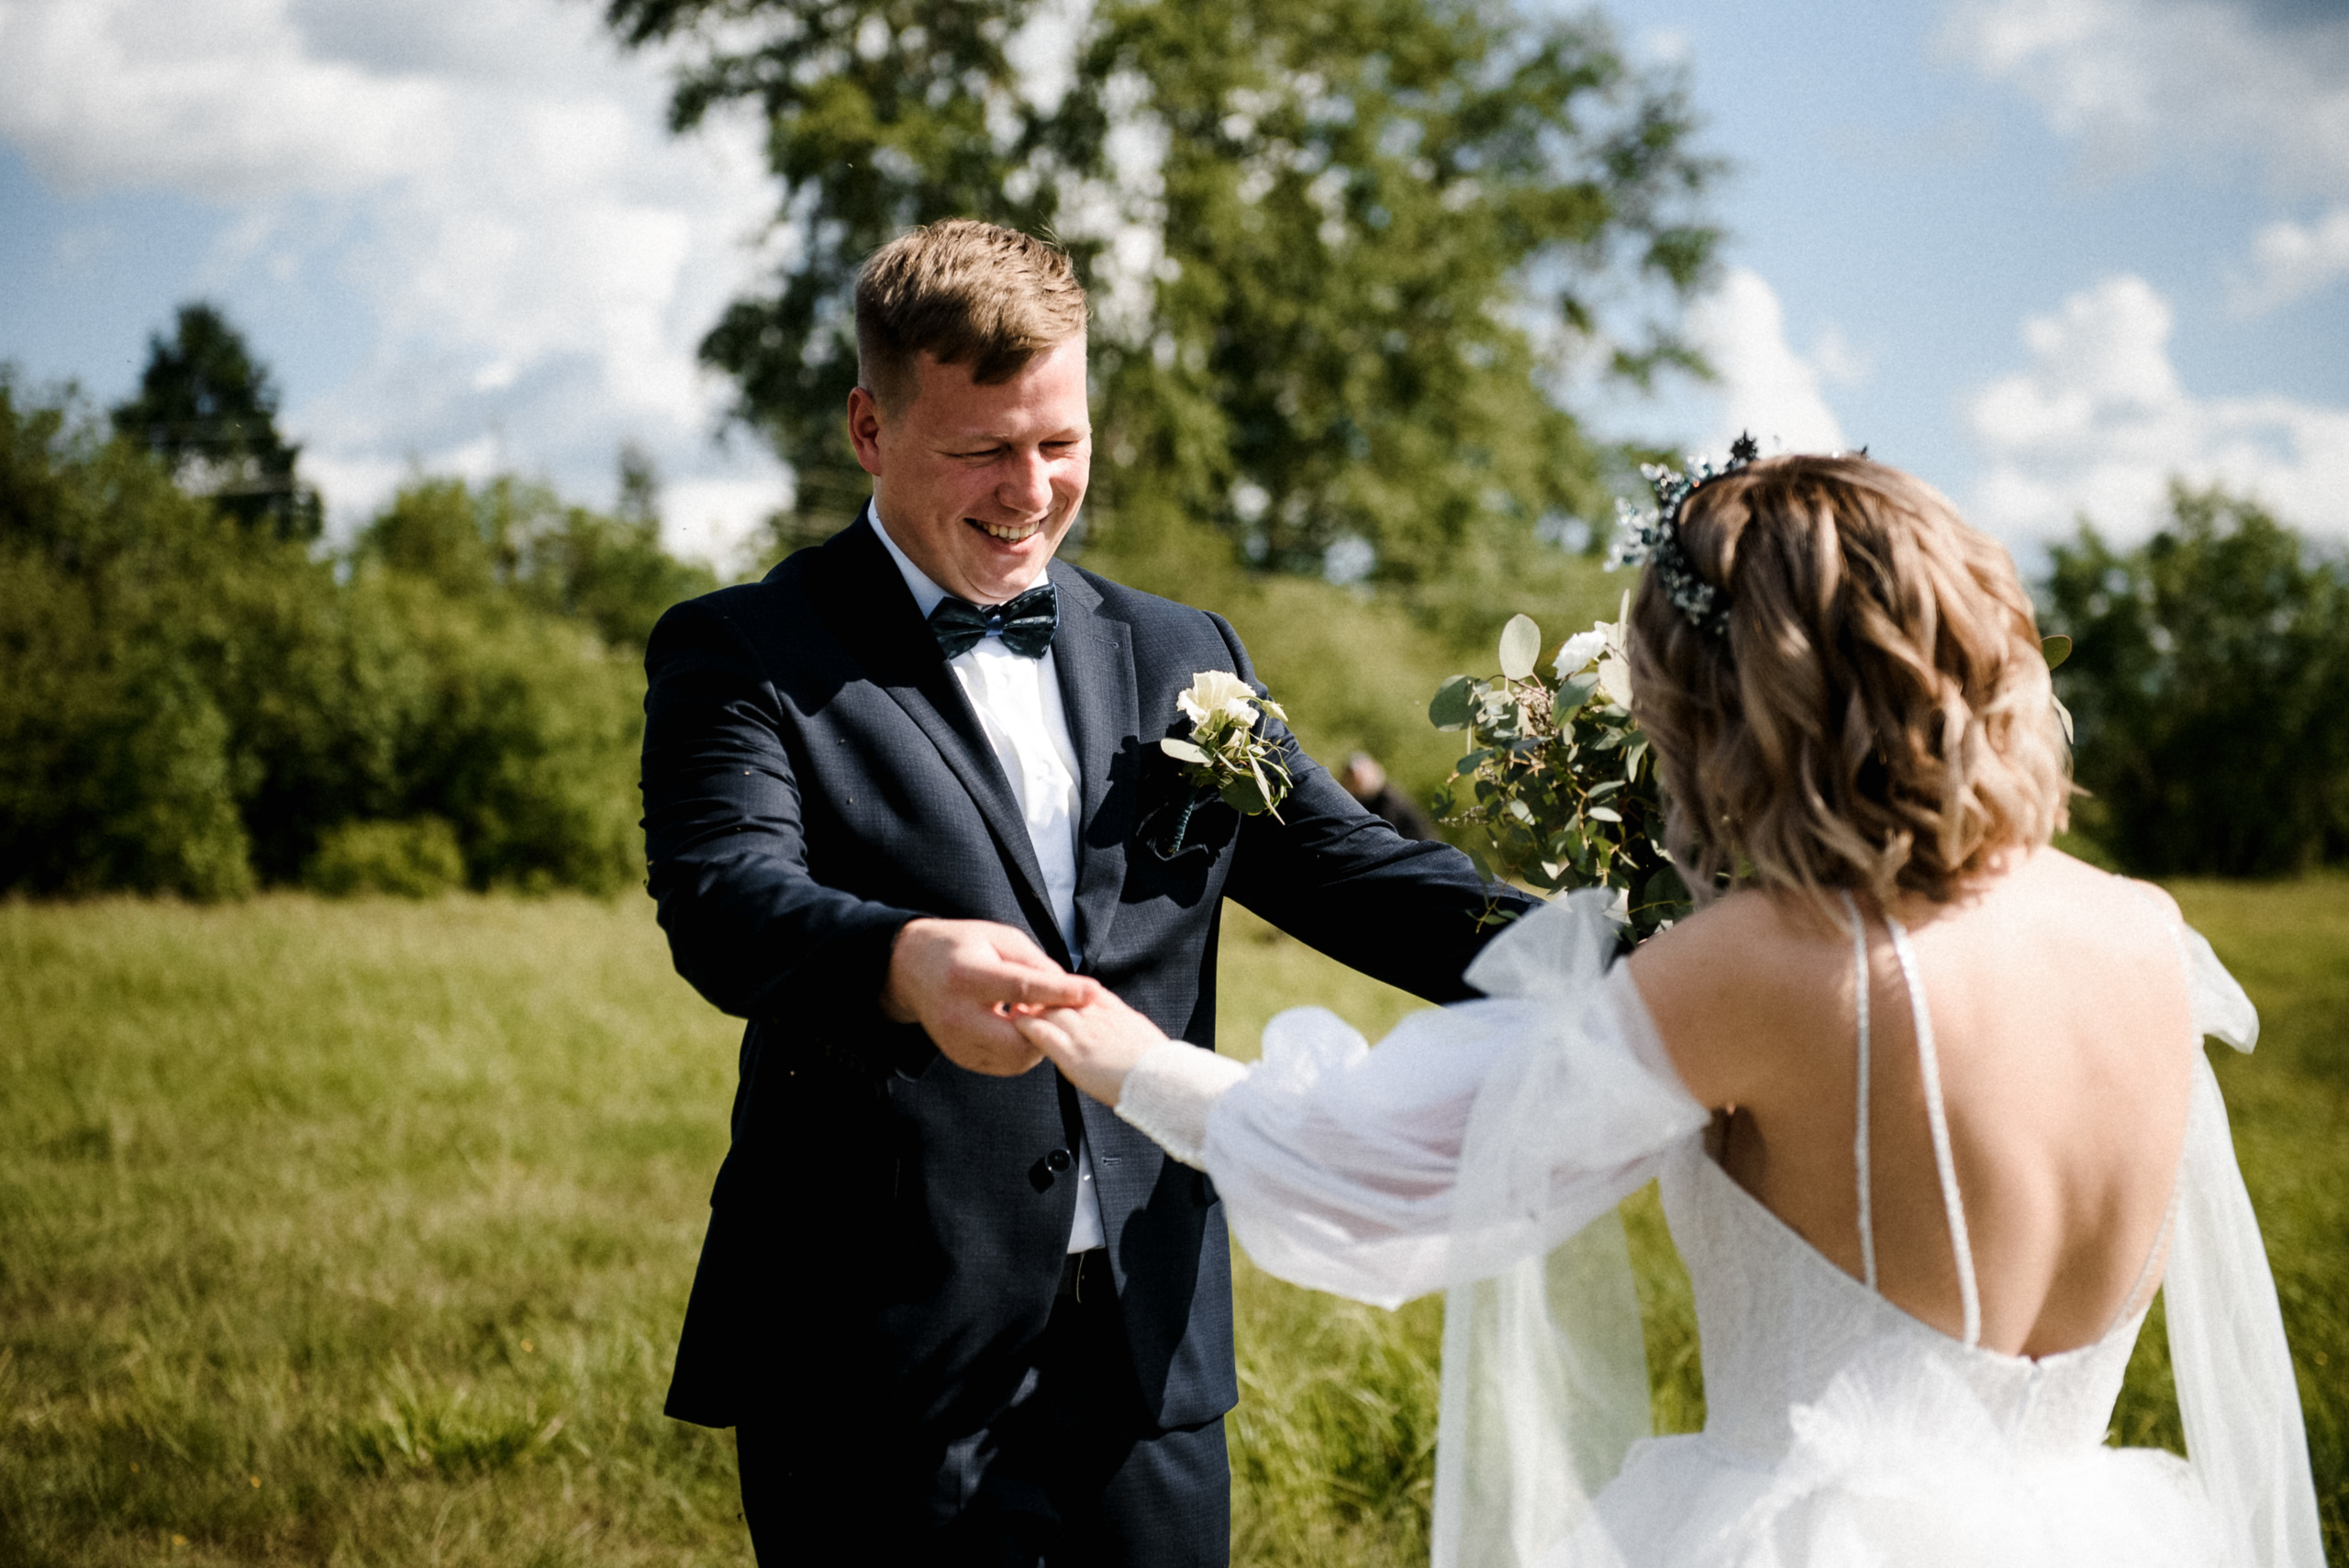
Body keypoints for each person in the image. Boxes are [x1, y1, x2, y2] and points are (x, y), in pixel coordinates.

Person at [1012, 453, 2324, 1568]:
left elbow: (1383, 1174)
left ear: (1731, 705)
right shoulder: (2148, 931)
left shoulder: (1768, 962)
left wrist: (1120, 1052)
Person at [638, 219, 1523, 1565]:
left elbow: (1358, 876)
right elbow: (724, 896)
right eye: (982, 449)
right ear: (870, 430)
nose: (1031, 488)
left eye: (1061, 442)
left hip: (1146, 1348)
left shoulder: (1181, 652)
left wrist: (1639, 961)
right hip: (875, 1344)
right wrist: (901, 961)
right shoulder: (746, 652)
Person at [1340, 751, 1439, 841]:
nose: (1352, 781)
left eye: (1357, 776)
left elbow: (1381, 834)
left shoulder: (1387, 801)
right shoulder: (1362, 799)